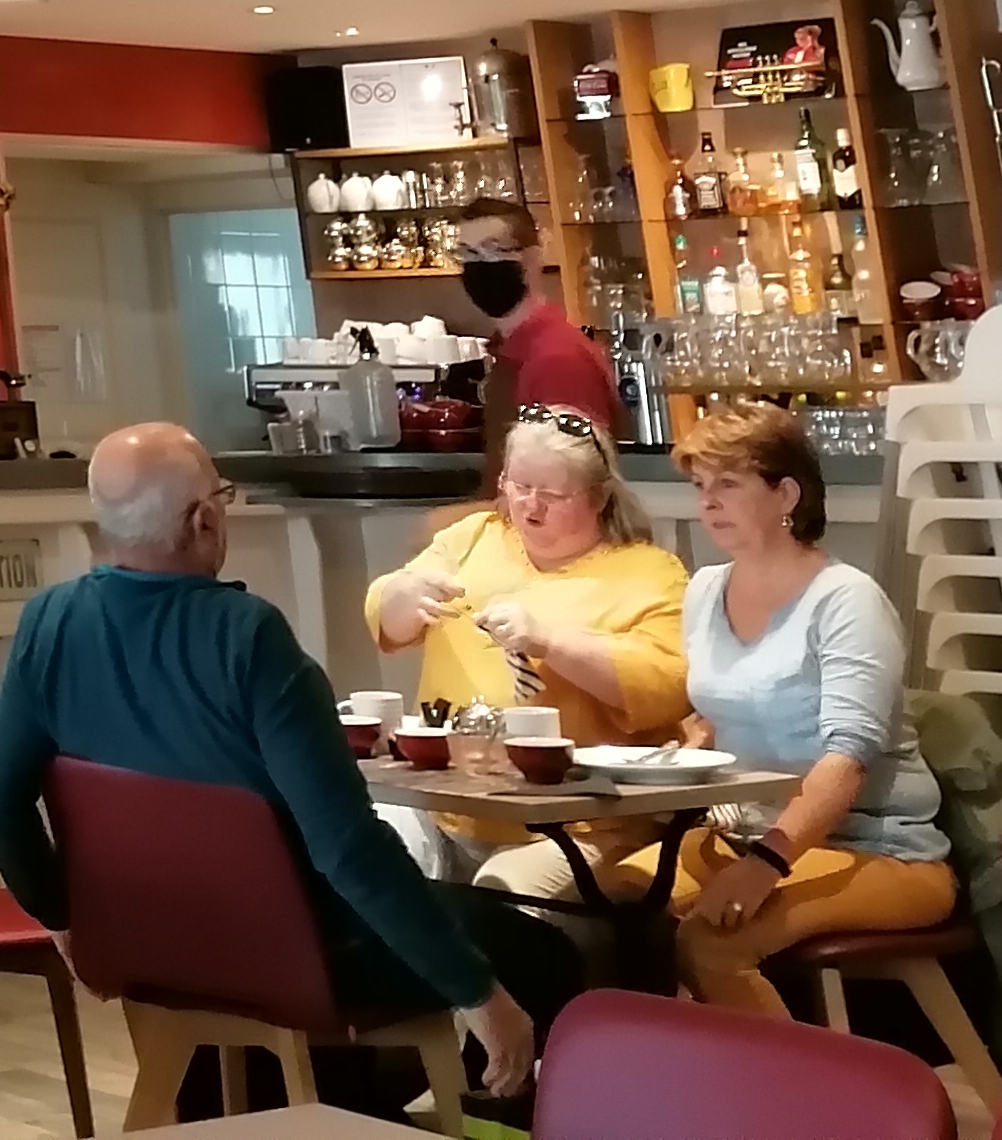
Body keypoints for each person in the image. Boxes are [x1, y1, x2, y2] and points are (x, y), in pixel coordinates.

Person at [0, 423, 537, 1104]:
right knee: (543, 951)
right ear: (203, 520)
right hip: (291, 953)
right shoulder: (248, 638)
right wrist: (478, 992)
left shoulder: (49, 623)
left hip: (144, 945)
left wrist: (64, 915)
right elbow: (347, 849)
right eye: (223, 497)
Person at [630, 403, 952, 1015]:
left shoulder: (846, 600)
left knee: (711, 943)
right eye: (699, 485)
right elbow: (720, 713)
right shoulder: (705, 589)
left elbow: (847, 761)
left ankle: (797, 1082)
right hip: (743, 832)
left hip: (878, 847)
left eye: (728, 483)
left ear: (786, 493)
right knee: (620, 904)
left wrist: (764, 865)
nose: (708, 502)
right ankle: (665, 1075)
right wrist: (684, 750)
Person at [366, 405, 688, 752]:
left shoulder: (652, 572)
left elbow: (669, 689)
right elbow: (388, 625)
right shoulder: (472, 536)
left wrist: (549, 642)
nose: (532, 506)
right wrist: (402, 596)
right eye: (520, 487)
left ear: (599, 497)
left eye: (552, 496)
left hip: (578, 779)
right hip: (451, 772)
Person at [453, 194, 620, 451]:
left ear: (534, 257)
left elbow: (573, 468)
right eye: (467, 252)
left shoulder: (558, 359)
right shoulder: (510, 352)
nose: (478, 264)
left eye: (492, 250)